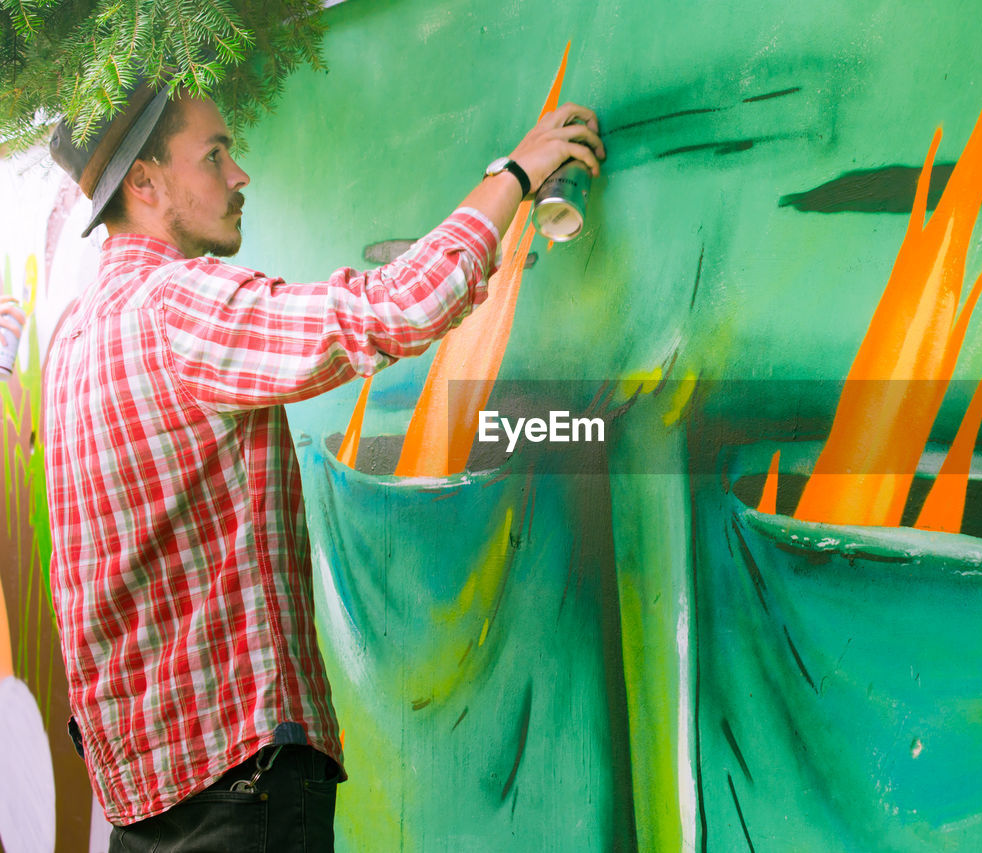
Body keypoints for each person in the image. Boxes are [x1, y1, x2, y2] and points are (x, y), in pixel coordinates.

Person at [42, 76, 604, 852]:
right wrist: (513, 177)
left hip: (137, 798)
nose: (239, 176)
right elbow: (391, 309)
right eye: (215, 155)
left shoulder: (71, 335)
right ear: (145, 182)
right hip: (236, 792)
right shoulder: (178, 308)